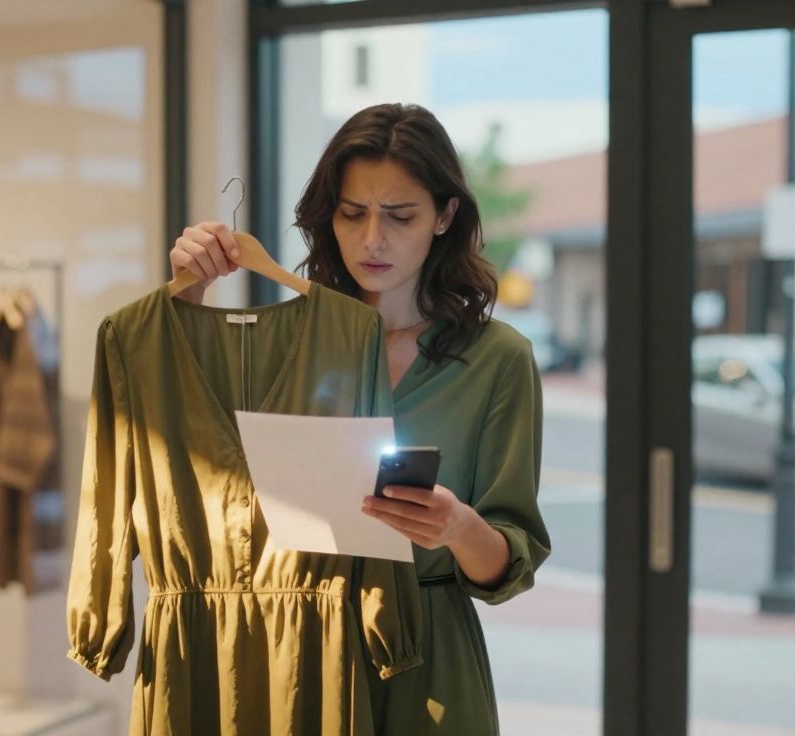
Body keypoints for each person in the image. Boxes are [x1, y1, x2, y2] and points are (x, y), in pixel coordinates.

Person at [170, 102, 551, 735]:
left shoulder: (497, 359)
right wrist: (186, 293)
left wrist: (456, 525)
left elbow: (507, 568)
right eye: (352, 213)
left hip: (427, 656)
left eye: (400, 215)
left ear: (444, 216)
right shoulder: (286, 340)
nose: (373, 239)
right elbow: (187, 450)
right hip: (293, 640)